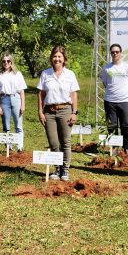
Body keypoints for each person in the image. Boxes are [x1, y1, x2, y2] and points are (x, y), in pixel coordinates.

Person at [37, 46, 79, 181]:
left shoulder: (70, 74)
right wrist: (40, 111)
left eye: (60, 56)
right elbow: (41, 94)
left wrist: (74, 112)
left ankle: (65, 170)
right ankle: (57, 168)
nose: (57, 59)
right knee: (53, 142)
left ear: (64, 59)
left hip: (65, 110)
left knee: (65, 142)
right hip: (49, 112)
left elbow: (74, 95)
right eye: (55, 56)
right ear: (51, 58)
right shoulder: (45, 74)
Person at [101, 43, 128, 154]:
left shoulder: (127, 67)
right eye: (113, 52)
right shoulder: (106, 68)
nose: (115, 53)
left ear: (121, 53)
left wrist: (122, 92)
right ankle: (115, 147)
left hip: (124, 101)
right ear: (110, 54)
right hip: (110, 101)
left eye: (117, 52)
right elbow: (105, 83)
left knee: (125, 125)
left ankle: (127, 147)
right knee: (112, 126)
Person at [0, 53, 27, 151]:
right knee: (6, 125)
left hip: (16, 98)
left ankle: (20, 147)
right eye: (4, 61)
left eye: (8, 61)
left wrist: (23, 105)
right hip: (4, 99)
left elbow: (22, 91)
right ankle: (9, 147)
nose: (6, 63)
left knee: (18, 124)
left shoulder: (17, 74)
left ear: (11, 62)